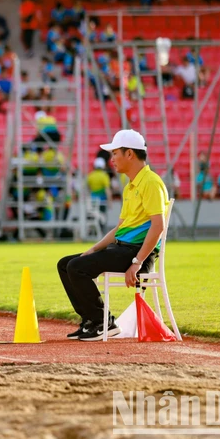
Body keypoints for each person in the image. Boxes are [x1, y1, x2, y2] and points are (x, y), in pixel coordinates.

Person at [57, 129, 169, 341]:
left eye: (115, 153)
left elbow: (158, 226)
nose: (112, 159)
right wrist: (93, 249)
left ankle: (103, 323)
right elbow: (120, 228)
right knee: (65, 264)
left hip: (136, 254)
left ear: (130, 154)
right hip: (122, 250)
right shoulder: (130, 186)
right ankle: (91, 320)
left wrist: (137, 262)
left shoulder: (151, 183)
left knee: (76, 267)